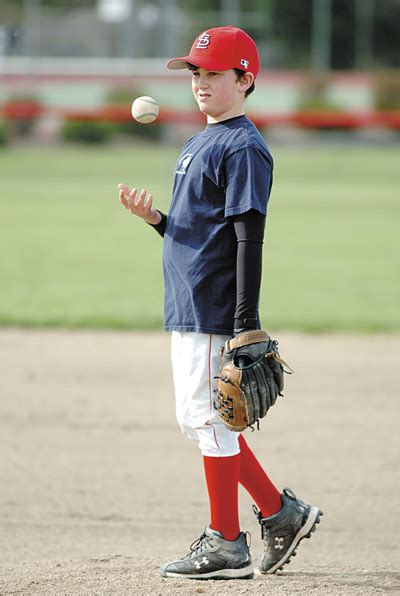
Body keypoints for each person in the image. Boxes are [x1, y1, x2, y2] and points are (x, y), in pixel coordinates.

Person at [118, 26, 322, 581]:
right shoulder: (201, 139)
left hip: (214, 310)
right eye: (196, 72)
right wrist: (158, 221)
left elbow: (247, 237)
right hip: (188, 303)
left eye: (214, 73)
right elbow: (199, 232)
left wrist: (245, 323)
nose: (201, 82)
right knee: (205, 421)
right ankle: (282, 514)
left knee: (210, 421)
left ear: (245, 79)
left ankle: (226, 542)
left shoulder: (243, 147)